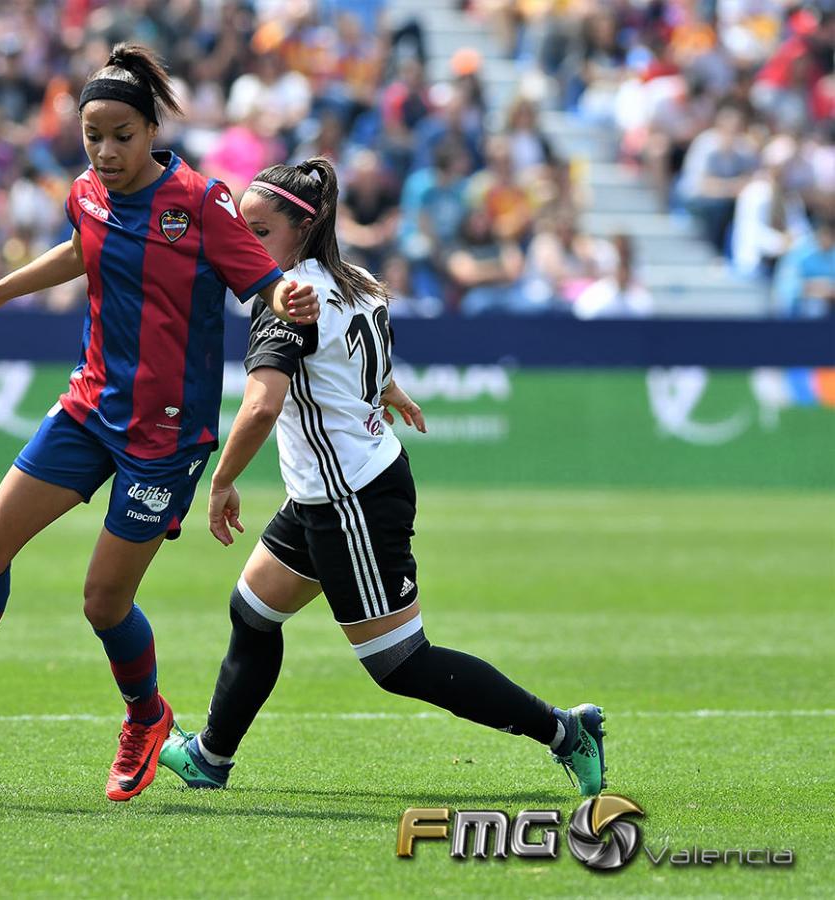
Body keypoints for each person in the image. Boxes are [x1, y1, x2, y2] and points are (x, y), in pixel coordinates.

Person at [0, 43, 320, 803]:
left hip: (165, 439)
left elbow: (260, 281)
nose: (105, 151)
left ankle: (147, 716)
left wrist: (284, 302)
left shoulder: (201, 203)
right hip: (89, 407)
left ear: (151, 129)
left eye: (121, 135)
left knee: (103, 601)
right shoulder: (87, 193)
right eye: (92, 135)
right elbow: (82, 247)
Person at [156, 156, 607, 798]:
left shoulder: (291, 303)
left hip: (350, 501)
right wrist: (386, 389)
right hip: (331, 489)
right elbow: (358, 352)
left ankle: (567, 732)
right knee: (253, 612)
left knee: (399, 663)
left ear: (303, 231)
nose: (243, 243)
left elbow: (260, 405)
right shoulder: (358, 279)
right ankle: (211, 757)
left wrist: (222, 482)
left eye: (258, 231)